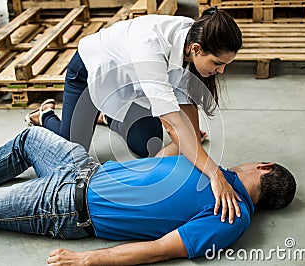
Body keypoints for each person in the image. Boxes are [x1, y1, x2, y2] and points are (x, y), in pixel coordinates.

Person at [0, 127, 296, 265]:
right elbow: (159, 169)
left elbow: (161, 249)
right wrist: (182, 141)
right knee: (29, 139)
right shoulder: (214, 171)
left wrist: (87, 260)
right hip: (85, 167)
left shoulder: (231, 216)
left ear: (263, 167)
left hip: (65, 207)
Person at [25, 6, 244, 223]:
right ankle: (46, 115)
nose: (221, 71)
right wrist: (215, 174)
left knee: (148, 144)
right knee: (71, 155)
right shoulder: (150, 47)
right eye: (218, 63)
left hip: (132, 88)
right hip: (89, 77)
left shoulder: (195, 36)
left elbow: (186, 114)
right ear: (196, 49)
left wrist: (191, 138)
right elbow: (174, 126)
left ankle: (106, 116)